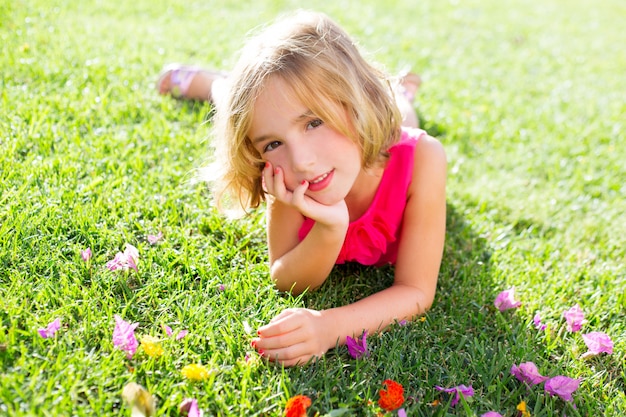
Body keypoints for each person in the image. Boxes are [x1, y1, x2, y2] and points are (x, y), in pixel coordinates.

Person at [161, 10, 446, 367]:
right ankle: (214, 83)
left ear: (354, 99)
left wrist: (329, 327)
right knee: (238, 99)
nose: (302, 162)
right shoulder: (288, 174)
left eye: (314, 122)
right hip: (281, 107)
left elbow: (417, 292)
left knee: (401, 110)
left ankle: (401, 91)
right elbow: (287, 280)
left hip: (389, 118)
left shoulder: (423, 159)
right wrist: (330, 228)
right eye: (273, 143)